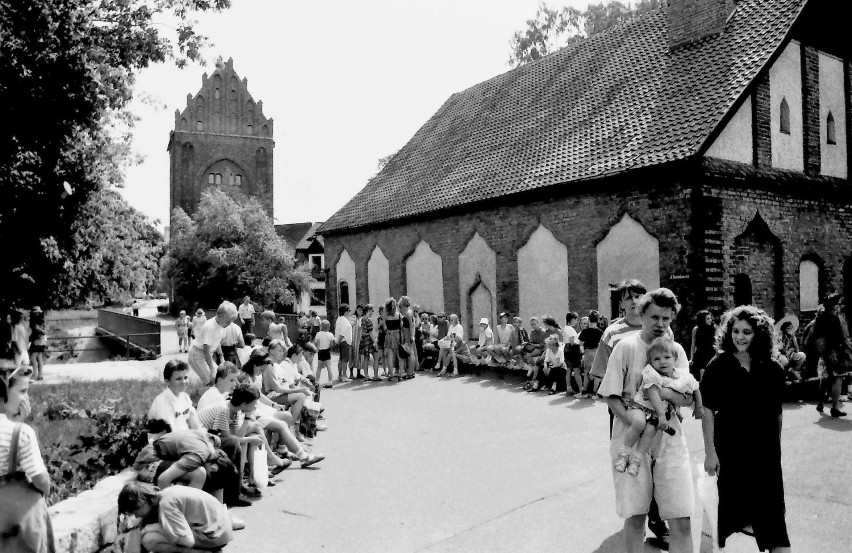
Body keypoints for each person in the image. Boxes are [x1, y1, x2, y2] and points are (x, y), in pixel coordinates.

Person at [598, 288, 694, 553]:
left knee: (681, 517)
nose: (660, 324)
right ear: (642, 315)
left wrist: (657, 391)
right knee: (636, 514)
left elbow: (686, 397)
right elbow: (610, 394)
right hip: (632, 433)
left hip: (669, 433)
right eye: (654, 317)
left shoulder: (676, 350)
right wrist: (635, 420)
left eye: (666, 318)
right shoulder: (626, 347)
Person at [701, 305, 791, 552]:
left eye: (747, 332)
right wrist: (710, 452)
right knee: (716, 517)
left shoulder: (772, 368)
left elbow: (777, 414)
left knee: (773, 523)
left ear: (758, 334)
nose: (739, 337)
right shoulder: (719, 365)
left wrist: (776, 453)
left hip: (764, 454)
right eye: (736, 331)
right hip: (729, 450)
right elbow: (707, 411)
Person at [614, 337, 702, 477]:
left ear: (675, 358)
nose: (662, 362)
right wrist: (662, 415)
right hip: (639, 407)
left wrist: (699, 407)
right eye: (656, 359)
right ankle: (623, 453)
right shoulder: (651, 374)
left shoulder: (680, 376)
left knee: (650, 430)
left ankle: (636, 460)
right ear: (650, 362)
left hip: (655, 415)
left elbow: (695, 387)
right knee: (639, 422)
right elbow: (653, 393)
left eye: (667, 357)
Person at [1, 359, 54, 553]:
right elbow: (40, 479)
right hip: (18, 518)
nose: (26, 398)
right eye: (22, 392)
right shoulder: (21, 433)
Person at [117, 482, 232, 553]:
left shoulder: (166, 505)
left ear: (141, 503)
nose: (135, 516)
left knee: (149, 539)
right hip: (221, 529)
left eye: (134, 512)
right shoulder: (166, 493)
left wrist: (152, 528)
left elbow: (188, 542)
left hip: (215, 537)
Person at [808, 293, 851, 417]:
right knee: (838, 379)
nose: (840, 306)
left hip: (824, 353)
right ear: (834, 305)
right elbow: (843, 337)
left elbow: (814, 336)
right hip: (837, 353)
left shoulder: (819, 317)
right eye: (839, 304)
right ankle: (835, 407)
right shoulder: (836, 318)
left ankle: (820, 402)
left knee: (825, 380)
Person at [189, 302, 238, 383]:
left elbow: (217, 341)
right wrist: (211, 369)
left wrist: (222, 358)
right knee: (212, 381)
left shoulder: (222, 325)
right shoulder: (210, 327)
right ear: (219, 316)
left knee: (222, 378)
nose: (229, 324)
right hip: (198, 355)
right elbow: (205, 350)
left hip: (207, 354)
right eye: (228, 321)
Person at [148, 360, 202, 432]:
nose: (183, 382)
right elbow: (169, 433)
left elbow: (195, 425)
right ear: (167, 380)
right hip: (170, 440)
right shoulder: (162, 402)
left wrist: (204, 438)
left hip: (185, 438)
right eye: (178, 379)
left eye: (185, 377)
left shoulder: (185, 397)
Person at [774, 314, 805, 382]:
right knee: (784, 361)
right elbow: (784, 351)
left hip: (791, 354)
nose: (790, 330)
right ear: (784, 329)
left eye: (791, 328)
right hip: (782, 355)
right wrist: (788, 342)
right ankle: (787, 374)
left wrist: (793, 339)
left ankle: (793, 370)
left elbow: (797, 350)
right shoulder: (781, 336)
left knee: (802, 355)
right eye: (788, 328)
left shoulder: (792, 336)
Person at [689, 310, 717, 381]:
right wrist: (691, 358)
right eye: (708, 319)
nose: (710, 320)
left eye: (710, 318)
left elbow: (717, 342)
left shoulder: (714, 328)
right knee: (698, 375)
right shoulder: (696, 329)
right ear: (702, 320)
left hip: (711, 353)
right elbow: (693, 344)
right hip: (700, 354)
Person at [397, 296, 417, 379]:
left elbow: (412, 326)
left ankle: (411, 372)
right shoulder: (403, 312)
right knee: (406, 352)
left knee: (410, 353)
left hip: (407, 333)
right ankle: (409, 371)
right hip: (402, 333)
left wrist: (412, 336)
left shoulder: (409, 313)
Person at [383, 298, 403, 381]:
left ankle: (391, 374)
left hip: (389, 334)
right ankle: (401, 373)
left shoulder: (386, 316)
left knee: (390, 355)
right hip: (397, 334)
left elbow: (385, 327)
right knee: (399, 354)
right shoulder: (399, 315)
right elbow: (401, 326)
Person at [359, 305, 378, 380]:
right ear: (368, 311)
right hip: (369, 341)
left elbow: (361, 332)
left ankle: (366, 375)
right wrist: (375, 342)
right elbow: (370, 333)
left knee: (366, 358)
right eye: (372, 311)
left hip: (363, 341)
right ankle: (375, 375)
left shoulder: (362, 319)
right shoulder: (368, 320)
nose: (372, 313)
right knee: (376, 356)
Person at [335, 304, 353, 383]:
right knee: (345, 359)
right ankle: (344, 376)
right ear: (345, 312)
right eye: (349, 311)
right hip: (345, 341)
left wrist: (337, 342)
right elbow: (342, 332)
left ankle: (340, 374)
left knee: (341, 359)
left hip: (341, 341)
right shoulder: (345, 321)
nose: (350, 312)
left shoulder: (339, 319)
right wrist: (338, 341)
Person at [28, 306, 47, 381]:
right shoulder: (42, 320)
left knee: (32, 358)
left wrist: (39, 330)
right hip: (42, 340)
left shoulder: (34, 321)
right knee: (39, 357)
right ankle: (40, 375)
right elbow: (45, 330)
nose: (35, 314)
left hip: (37, 340)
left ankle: (35, 375)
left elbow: (39, 330)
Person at [350, 304, 363, 378]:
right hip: (353, 340)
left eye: (361, 310)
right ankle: (351, 373)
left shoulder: (362, 318)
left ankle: (358, 372)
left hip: (360, 340)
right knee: (352, 356)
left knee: (359, 356)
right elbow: (350, 326)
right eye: (359, 309)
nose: (360, 311)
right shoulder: (353, 317)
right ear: (356, 310)